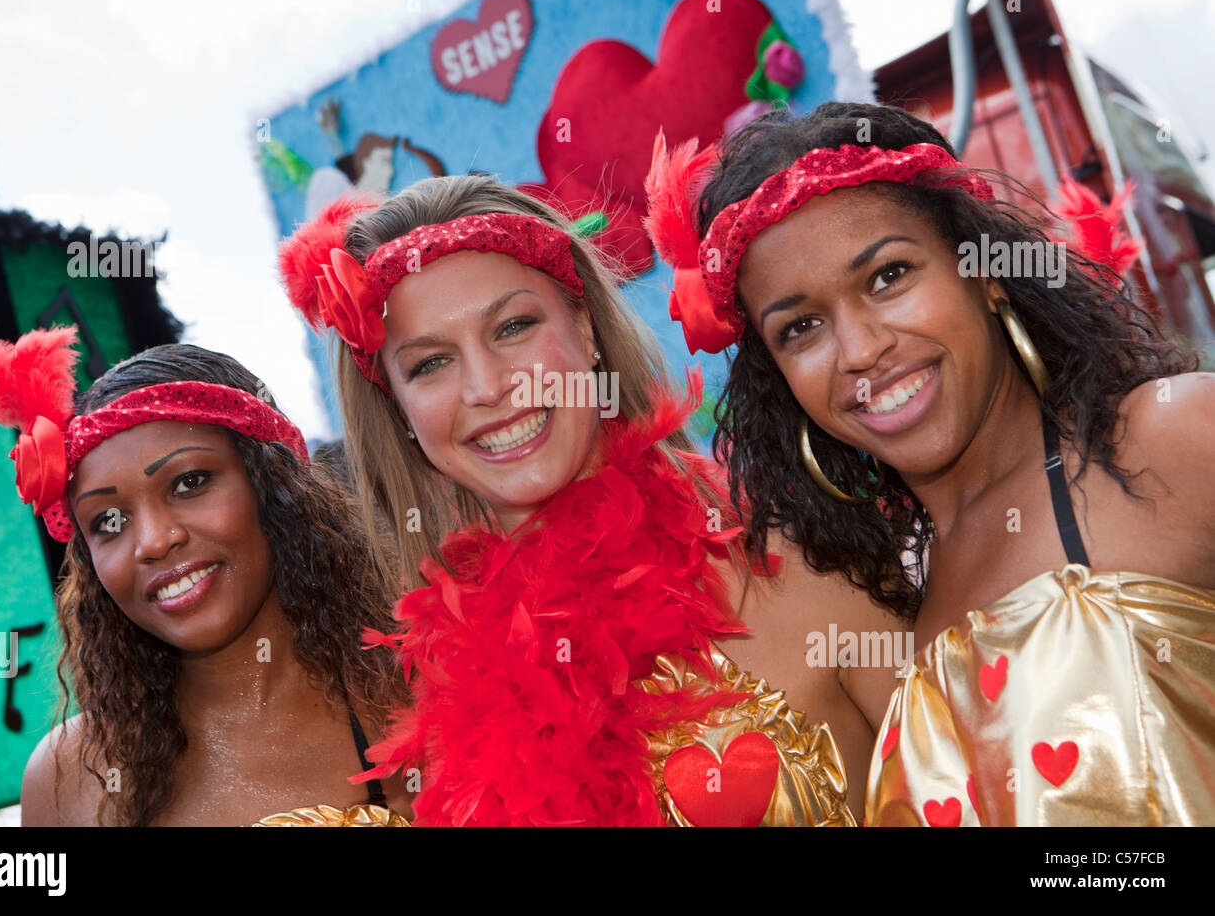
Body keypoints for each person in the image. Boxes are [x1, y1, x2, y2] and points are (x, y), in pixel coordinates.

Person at [651, 101, 1215, 825]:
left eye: (888, 277)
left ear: (983, 272)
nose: (859, 349)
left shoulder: (1168, 440)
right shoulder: (883, 594)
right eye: (802, 327)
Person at [276, 177, 905, 826]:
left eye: (514, 326)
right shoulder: (439, 712)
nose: (489, 386)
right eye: (430, 364)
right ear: (401, 409)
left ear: (585, 327)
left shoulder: (805, 558)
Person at [0, 331, 408, 825]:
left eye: (188, 483)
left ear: (276, 487)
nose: (153, 541)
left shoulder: (427, 700)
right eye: (109, 521)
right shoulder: (68, 780)